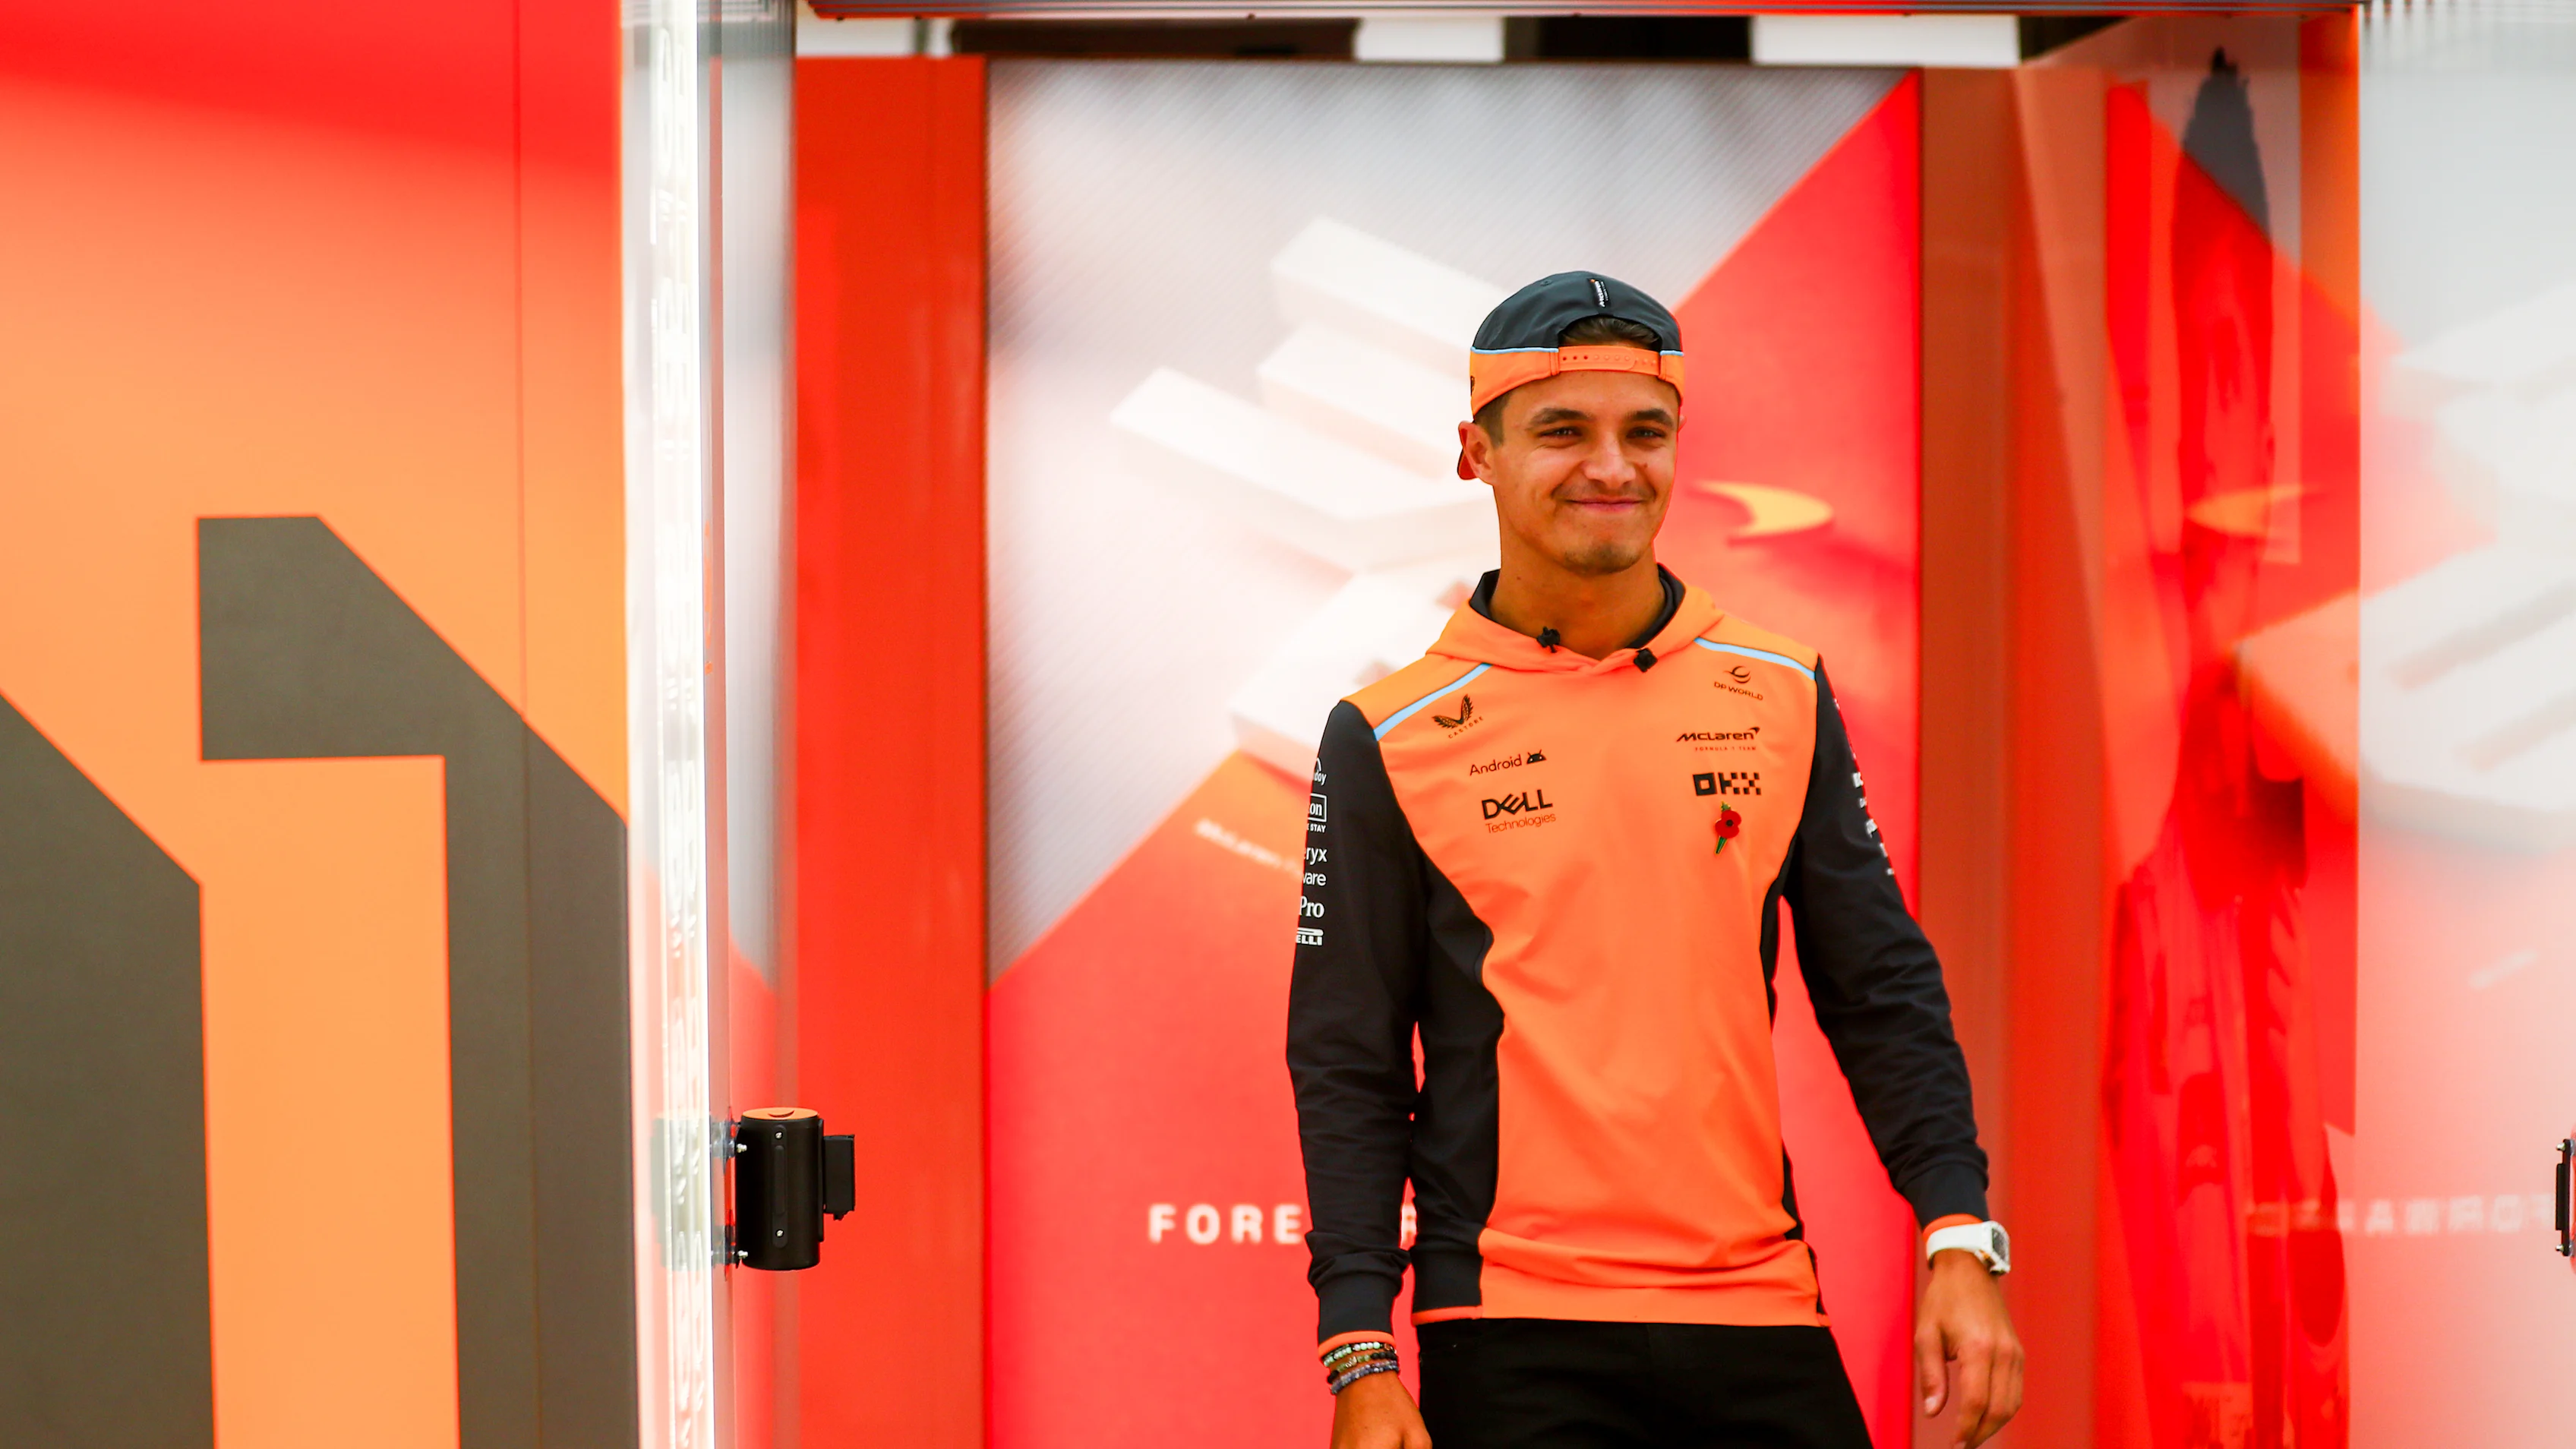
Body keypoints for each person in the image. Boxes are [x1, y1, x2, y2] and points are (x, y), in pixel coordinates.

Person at [1286, 273, 2022, 1449]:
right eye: (1563, 431)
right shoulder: (1390, 734)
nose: (1612, 468)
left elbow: (1882, 990)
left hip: (1764, 1315)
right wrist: (1360, 1350)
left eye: (1647, 430)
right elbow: (1350, 1063)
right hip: (1512, 1331)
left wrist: (1957, 1232)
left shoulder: (1780, 689)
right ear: (1476, 451)